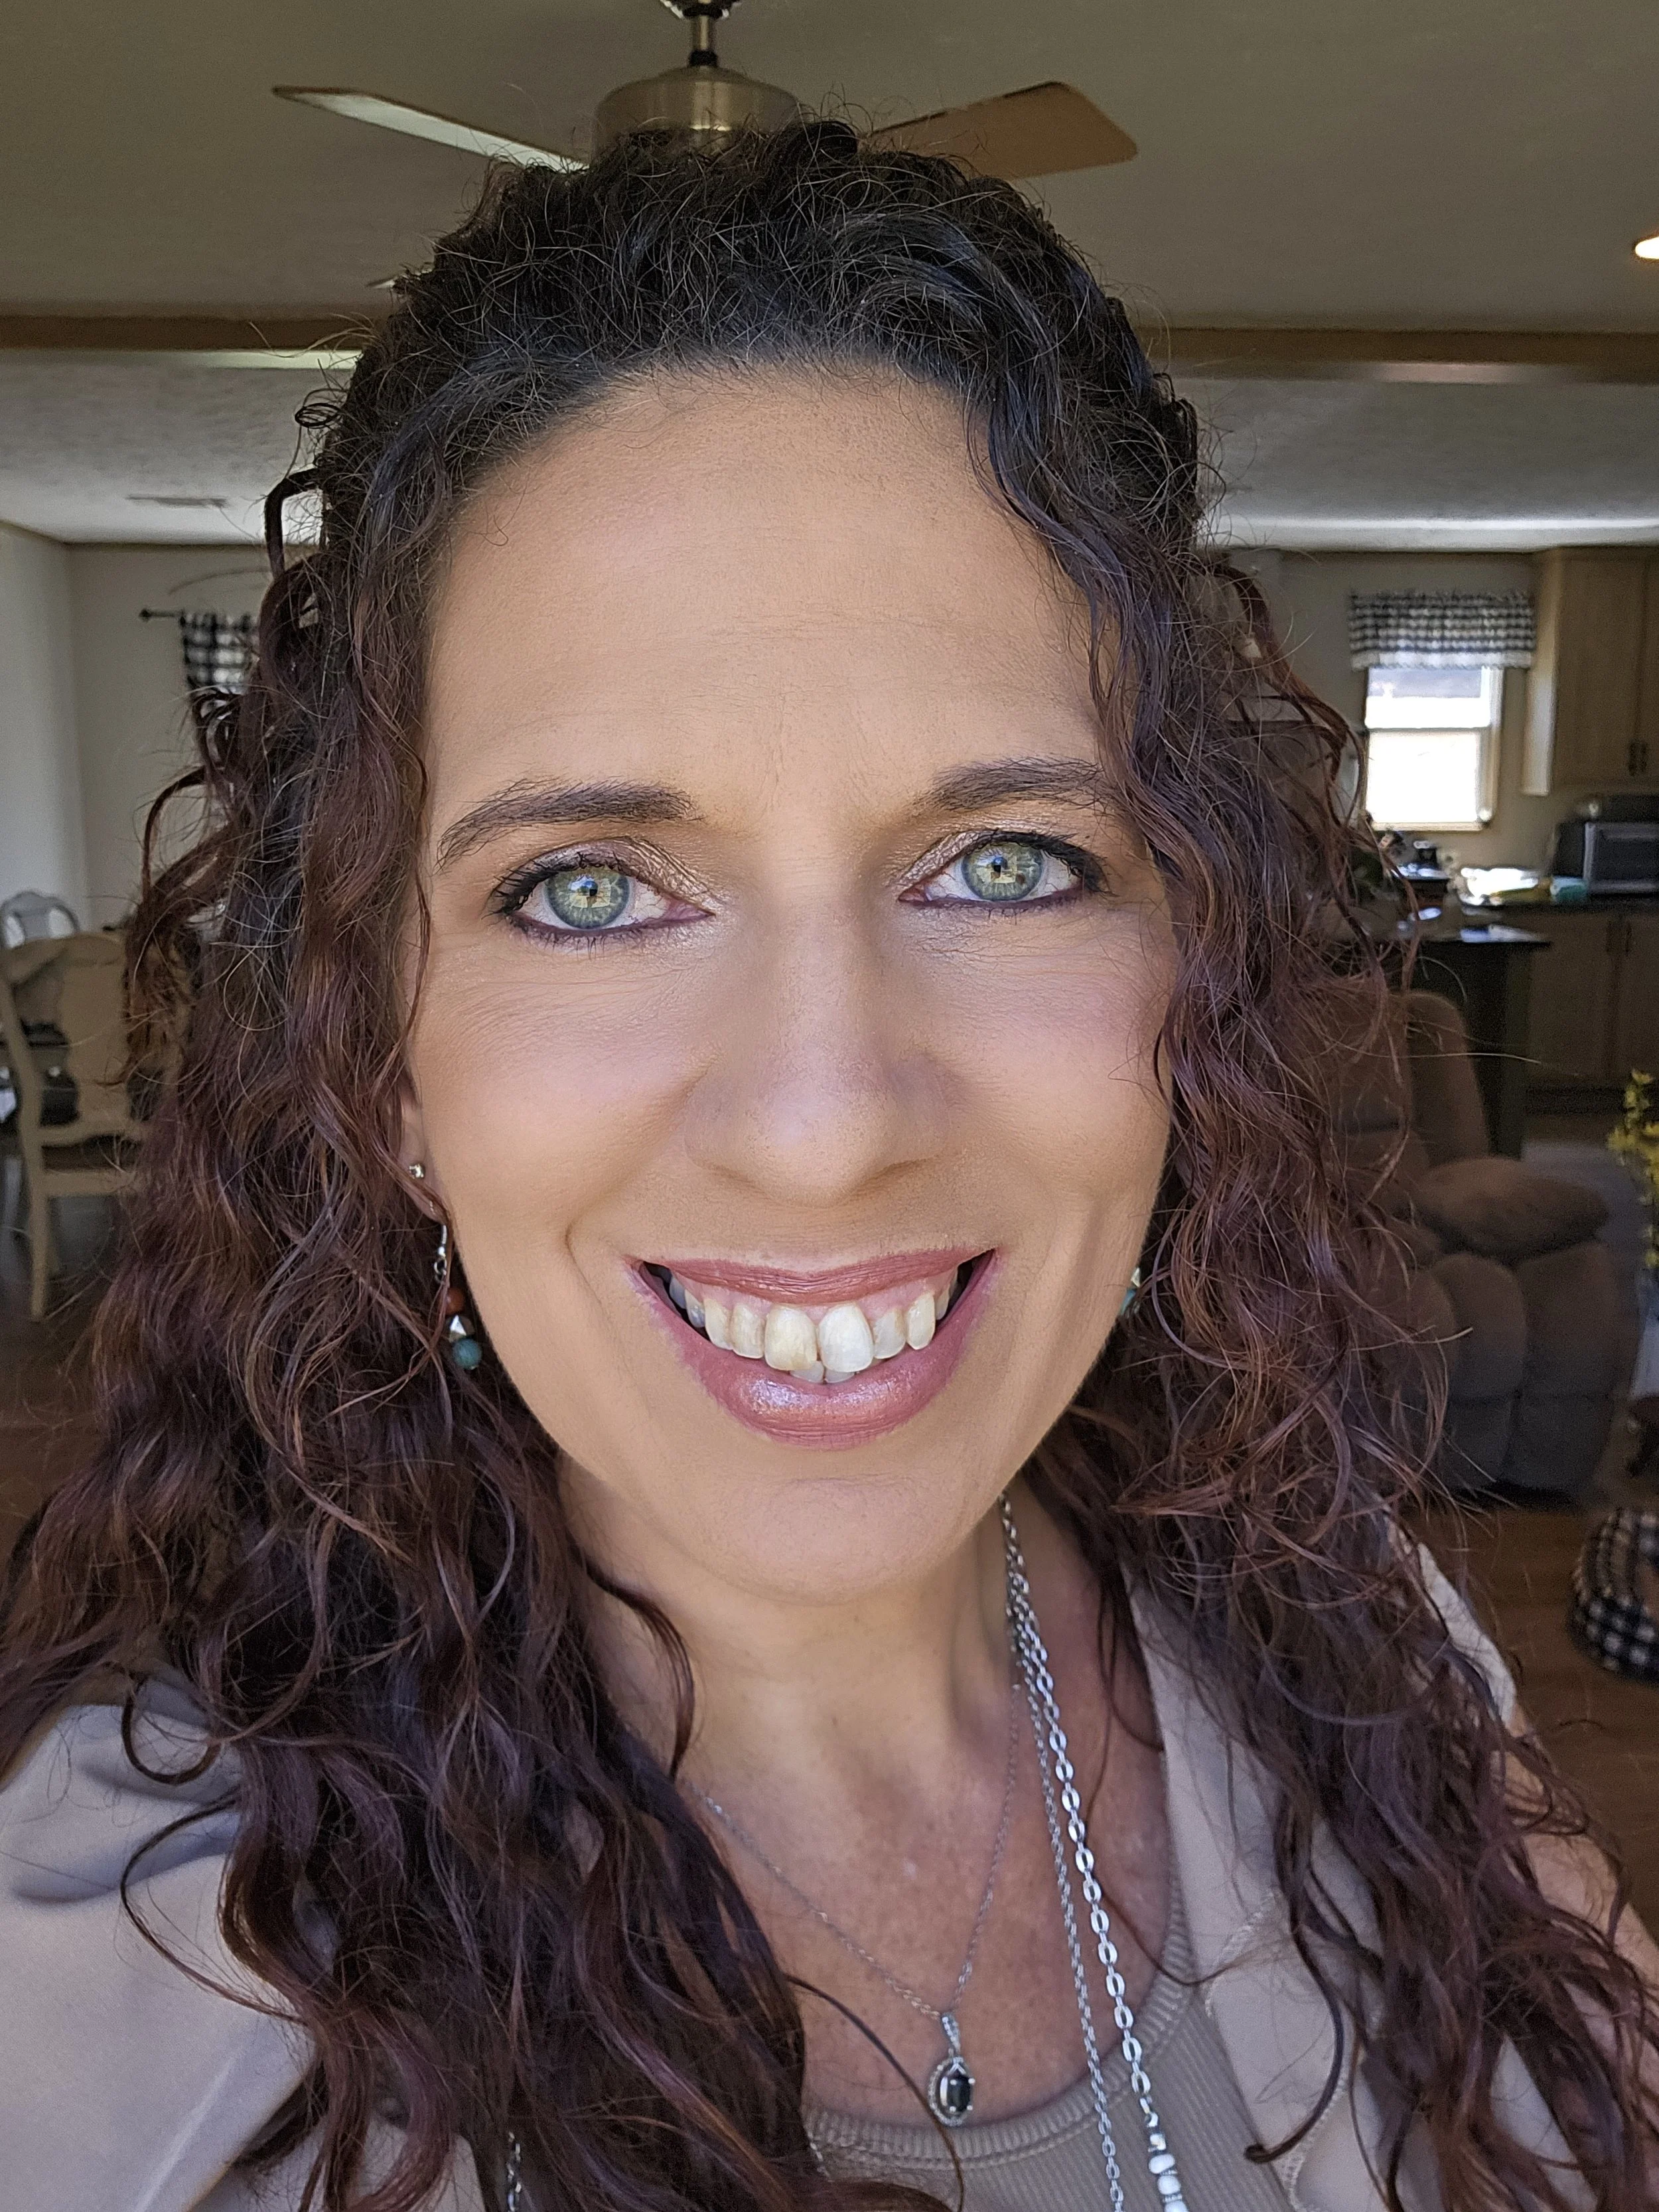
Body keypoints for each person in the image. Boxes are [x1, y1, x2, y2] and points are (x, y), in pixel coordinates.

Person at [1, 123, 1654, 2212]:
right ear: (380, 1062)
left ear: (1192, 982)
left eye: (1005, 862)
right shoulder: (121, 1985)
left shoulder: (1360, 1642)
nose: (822, 1125)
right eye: (586, 887)